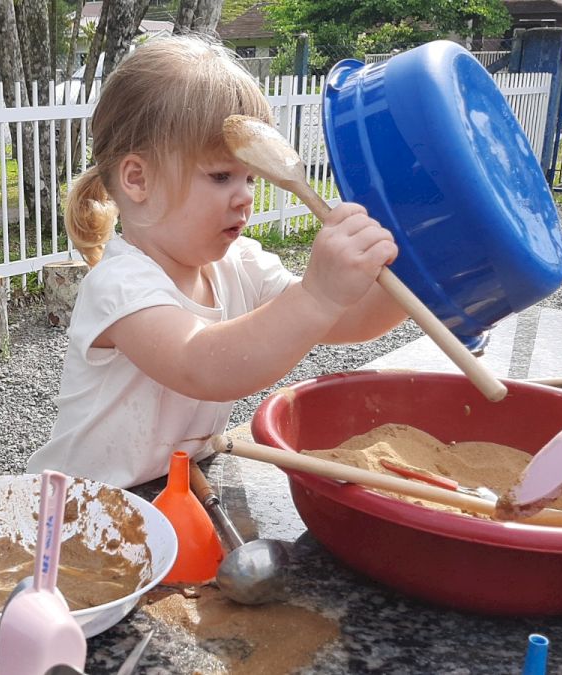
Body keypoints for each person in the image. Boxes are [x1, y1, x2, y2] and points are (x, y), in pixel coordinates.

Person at [26, 35, 407, 489]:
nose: (245, 196)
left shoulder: (240, 263)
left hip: (175, 486)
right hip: (85, 504)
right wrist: (318, 294)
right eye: (221, 175)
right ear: (138, 179)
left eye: (250, 177)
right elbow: (199, 365)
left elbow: (348, 319)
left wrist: (418, 274)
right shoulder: (120, 283)